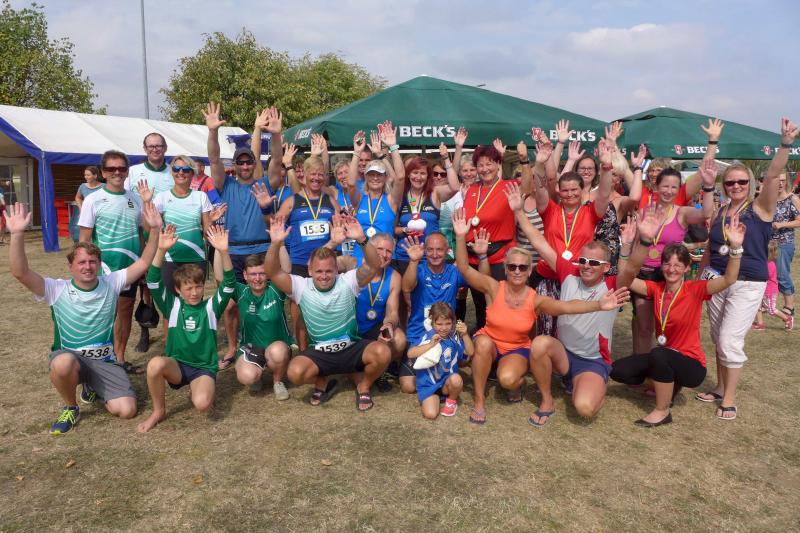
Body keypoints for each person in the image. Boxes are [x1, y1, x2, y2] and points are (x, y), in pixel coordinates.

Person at [452, 207, 629, 425]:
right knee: (482, 343)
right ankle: (479, 401)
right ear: (505, 269)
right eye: (512, 267)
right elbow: (464, 268)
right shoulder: (494, 287)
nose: (517, 271)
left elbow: (566, 307)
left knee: (507, 379)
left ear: (529, 271)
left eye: (522, 267)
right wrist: (460, 237)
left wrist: (598, 305)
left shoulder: (535, 299)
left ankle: (518, 385)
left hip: (516, 349)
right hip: (490, 342)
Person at [7, 201, 163, 434]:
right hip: (71, 359)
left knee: (127, 410)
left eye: (92, 262)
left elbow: (143, 262)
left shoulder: (112, 283)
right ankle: (71, 407)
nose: (87, 267)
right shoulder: (56, 289)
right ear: (71, 266)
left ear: (99, 265)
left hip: (104, 361)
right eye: (81, 262)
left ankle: (92, 386)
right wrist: (17, 234)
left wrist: (156, 229)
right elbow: (21, 273)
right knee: (63, 364)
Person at [696, 118, 799, 420]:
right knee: (717, 337)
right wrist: (700, 279)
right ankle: (719, 387)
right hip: (717, 280)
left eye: (742, 182)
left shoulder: (760, 208)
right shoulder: (720, 211)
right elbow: (710, 247)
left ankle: (729, 398)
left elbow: (774, 173)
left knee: (729, 339)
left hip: (748, 281)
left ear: (751, 184)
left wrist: (785, 144)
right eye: (730, 182)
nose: (736, 186)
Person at [505, 182, 624, 426]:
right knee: (540, 343)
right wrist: (518, 211)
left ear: (605, 267)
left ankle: (590, 383)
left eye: (594, 263)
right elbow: (538, 241)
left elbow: (631, 268)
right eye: (583, 260)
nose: (587, 266)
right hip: (564, 354)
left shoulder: (612, 284)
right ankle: (547, 401)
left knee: (584, 408)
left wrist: (638, 244)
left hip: (591, 360)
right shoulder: (569, 271)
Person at [613, 205, 744, 426]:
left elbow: (729, 279)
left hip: (691, 365)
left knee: (658, 354)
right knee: (619, 371)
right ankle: (667, 383)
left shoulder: (696, 289)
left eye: (677, 265)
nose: (671, 269)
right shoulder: (656, 289)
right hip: (665, 357)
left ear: (686, 268)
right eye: (667, 263)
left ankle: (662, 410)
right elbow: (624, 280)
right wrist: (627, 245)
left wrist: (736, 248)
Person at [265, 214, 391, 411]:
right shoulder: (300, 286)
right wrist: (275, 244)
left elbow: (374, 265)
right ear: (310, 270)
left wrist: (362, 239)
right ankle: (322, 381)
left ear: (337, 270)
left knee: (383, 352)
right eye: (319, 271)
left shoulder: (348, 281)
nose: (324, 276)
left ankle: (363, 386)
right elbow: (273, 272)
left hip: (351, 347)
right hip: (320, 352)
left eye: (329, 271)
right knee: (295, 372)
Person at [137, 224, 235, 432]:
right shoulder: (171, 305)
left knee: (202, 404)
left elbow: (228, 284)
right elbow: (153, 280)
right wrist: (161, 250)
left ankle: (201, 386)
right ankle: (158, 411)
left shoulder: (211, 307)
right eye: (188, 288)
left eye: (198, 287)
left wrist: (223, 252)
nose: (194, 293)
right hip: (177, 366)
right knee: (155, 364)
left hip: (203, 367)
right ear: (178, 290)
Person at [205, 102, 283, 365]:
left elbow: (276, 161)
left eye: (249, 161)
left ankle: (270, 343)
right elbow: (214, 159)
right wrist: (213, 132)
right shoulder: (225, 184)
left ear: (254, 163)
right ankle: (233, 346)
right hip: (234, 251)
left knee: (267, 300)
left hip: (261, 250)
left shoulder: (264, 184)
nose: (246, 165)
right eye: (241, 162)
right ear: (235, 165)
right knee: (229, 304)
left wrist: (276, 135)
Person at [528, 138, 614, 337]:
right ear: (558, 191)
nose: (569, 194)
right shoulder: (550, 210)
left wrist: (606, 166)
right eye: (565, 190)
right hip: (548, 276)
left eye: (574, 189)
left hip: (577, 278)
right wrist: (539, 164)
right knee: (546, 329)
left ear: (582, 190)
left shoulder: (591, 212)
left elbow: (604, 194)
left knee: (572, 329)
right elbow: (540, 189)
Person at [630, 160, 716, 353]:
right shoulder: (644, 212)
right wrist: (630, 270)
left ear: (679, 189)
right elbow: (636, 244)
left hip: (670, 275)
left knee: (669, 326)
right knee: (644, 329)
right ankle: (643, 366)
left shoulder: (682, 213)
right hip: (644, 274)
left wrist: (709, 186)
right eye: (665, 186)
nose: (669, 191)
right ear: (656, 186)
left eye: (674, 187)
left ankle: (665, 365)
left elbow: (706, 213)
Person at [78, 150, 144, 374]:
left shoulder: (135, 198)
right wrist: (86, 268)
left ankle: (119, 360)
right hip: (103, 269)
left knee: (125, 312)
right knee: (102, 316)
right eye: (111, 168)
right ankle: (97, 363)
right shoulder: (92, 199)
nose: (117, 172)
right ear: (103, 172)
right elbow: (84, 239)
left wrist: (143, 265)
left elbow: (140, 233)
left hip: (130, 268)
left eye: (121, 168)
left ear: (127, 171)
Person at [462, 139, 534, 329]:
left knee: (500, 303)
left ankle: (504, 339)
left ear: (498, 164)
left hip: (498, 258)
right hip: (473, 257)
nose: (485, 169)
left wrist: (524, 161)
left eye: (489, 164)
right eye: (480, 165)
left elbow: (527, 188)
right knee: (480, 304)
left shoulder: (508, 186)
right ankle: (482, 335)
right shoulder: (472, 190)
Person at [400, 232, 469, 393]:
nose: (435, 254)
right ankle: (435, 379)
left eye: (439, 249)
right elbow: (406, 287)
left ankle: (441, 378)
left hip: (446, 334)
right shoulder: (418, 269)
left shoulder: (454, 272)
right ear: (425, 250)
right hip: (419, 334)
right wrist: (413, 261)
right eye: (430, 249)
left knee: (466, 358)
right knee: (408, 386)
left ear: (447, 250)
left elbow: (481, 279)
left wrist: (481, 258)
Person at [145, 156, 221, 294]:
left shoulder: (201, 196)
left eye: (186, 169)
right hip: (169, 259)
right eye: (176, 169)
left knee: (194, 302)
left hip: (196, 258)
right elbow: (149, 229)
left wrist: (212, 221)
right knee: (169, 304)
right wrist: (147, 202)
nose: (181, 172)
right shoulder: (162, 197)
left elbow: (207, 234)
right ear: (172, 172)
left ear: (192, 173)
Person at [230, 254, 292, 398]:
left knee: (278, 352)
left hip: (277, 347)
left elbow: (287, 270)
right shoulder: (241, 292)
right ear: (245, 275)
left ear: (268, 274)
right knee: (247, 377)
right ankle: (256, 375)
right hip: (251, 348)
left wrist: (279, 244)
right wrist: (220, 251)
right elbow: (221, 278)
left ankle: (277, 382)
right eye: (253, 274)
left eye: (262, 273)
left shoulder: (275, 289)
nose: (257, 278)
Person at [392, 146, 459, 274]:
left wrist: (446, 158)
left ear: (428, 176)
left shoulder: (435, 193)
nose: (418, 177)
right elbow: (393, 229)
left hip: (431, 257)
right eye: (415, 172)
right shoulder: (400, 196)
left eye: (423, 173)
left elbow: (455, 187)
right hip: (405, 255)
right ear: (408, 174)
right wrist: (405, 229)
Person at [346, 125, 404, 263]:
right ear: (366, 176)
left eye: (379, 174)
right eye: (371, 174)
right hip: (361, 258)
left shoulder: (391, 200)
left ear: (385, 177)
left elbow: (400, 178)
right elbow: (351, 183)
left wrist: (392, 147)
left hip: (385, 258)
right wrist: (357, 152)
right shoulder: (360, 200)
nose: (375, 178)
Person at [406, 302, 473, 419]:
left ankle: (451, 401)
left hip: (447, 383)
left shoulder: (454, 338)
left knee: (456, 379)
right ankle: (434, 398)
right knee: (430, 414)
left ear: (453, 322)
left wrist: (465, 335)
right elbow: (410, 353)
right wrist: (430, 344)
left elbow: (470, 352)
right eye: (439, 324)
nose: (444, 328)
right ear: (432, 322)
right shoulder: (428, 336)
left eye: (448, 323)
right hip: (429, 385)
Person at [770, 171, 800, 319]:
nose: (780, 183)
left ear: (786, 181)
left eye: (783, 180)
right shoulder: (770, 199)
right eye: (778, 180)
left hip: (784, 243)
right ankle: (766, 303)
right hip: (768, 243)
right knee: (769, 274)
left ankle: (789, 307)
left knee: (782, 275)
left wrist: (782, 224)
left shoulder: (792, 198)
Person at [752, 240, 792, 330]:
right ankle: (760, 324)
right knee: (757, 305)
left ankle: (787, 319)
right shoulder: (764, 263)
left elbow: (764, 275)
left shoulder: (770, 265)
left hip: (769, 292)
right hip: (762, 290)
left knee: (771, 310)